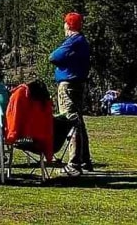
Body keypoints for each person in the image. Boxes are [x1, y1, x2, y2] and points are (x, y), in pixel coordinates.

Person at [49, 12, 93, 175]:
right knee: (78, 121)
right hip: (78, 83)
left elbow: (53, 57)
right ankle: (84, 160)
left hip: (68, 84)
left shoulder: (73, 42)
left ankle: (74, 164)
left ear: (68, 25)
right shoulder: (82, 41)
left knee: (70, 120)